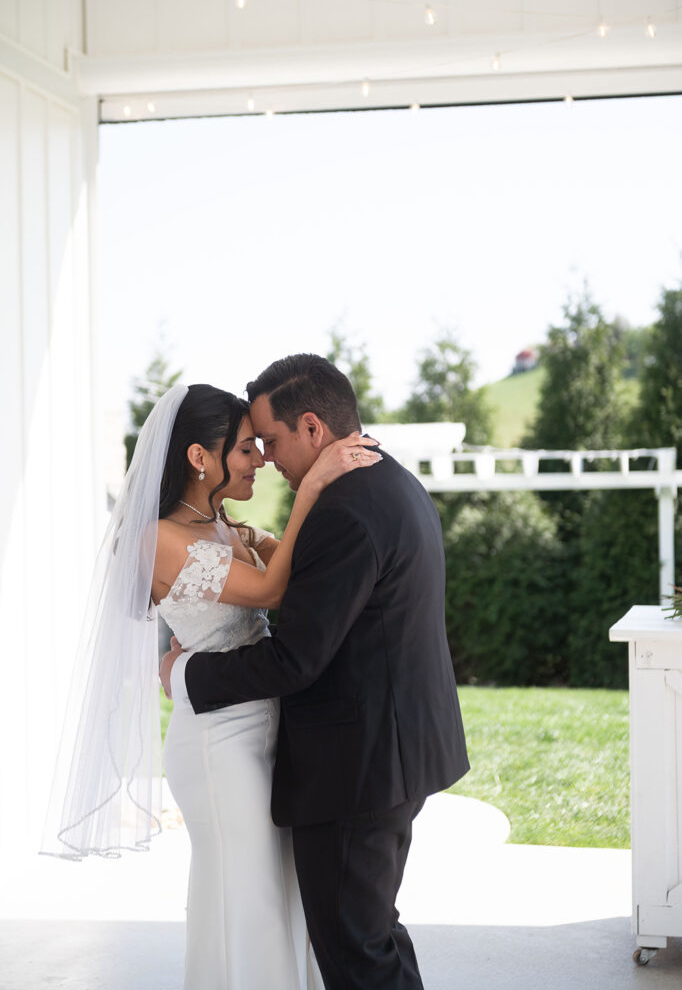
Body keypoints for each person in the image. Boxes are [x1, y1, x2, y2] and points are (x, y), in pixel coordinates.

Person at [43, 382, 380, 990]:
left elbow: (297, 569)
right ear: (201, 458)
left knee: (274, 889)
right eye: (247, 449)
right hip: (219, 743)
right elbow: (273, 590)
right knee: (244, 893)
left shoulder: (223, 526)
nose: (260, 461)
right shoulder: (161, 539)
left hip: (263, 729)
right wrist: (312, 488)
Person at [161, 355, 470, 990]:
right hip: (374, 749)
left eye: (268, 442)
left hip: (357, 763)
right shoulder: (388, 481)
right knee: (365, 930)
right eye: (250, 447)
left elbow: (296, 656)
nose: (265, 458)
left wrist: (186, 674)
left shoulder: (341, 510)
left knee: (356, 943)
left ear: (312, 429)